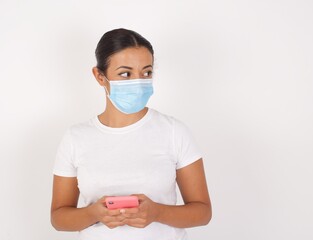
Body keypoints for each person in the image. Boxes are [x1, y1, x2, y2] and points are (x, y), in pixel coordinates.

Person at [50, 28, 212, 240]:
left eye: (146, 72)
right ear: (100, 76)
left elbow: (203, 212)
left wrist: (157, 213)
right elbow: (59, 218)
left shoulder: (174, 132)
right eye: (125, 74)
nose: (138, 81)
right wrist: (93, 214)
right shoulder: (75, 138)